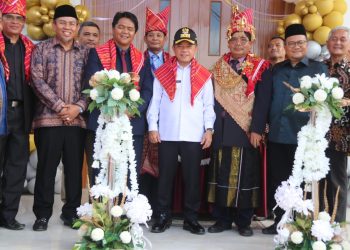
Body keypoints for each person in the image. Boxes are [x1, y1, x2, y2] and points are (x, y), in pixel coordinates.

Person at [207, 6, 271, 237]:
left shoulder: (261, 67)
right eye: (234, 39)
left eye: (243, 39)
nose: (238, 43)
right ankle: (221, 219)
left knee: (246, 175)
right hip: (222, 130)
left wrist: (256, 130)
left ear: (250, 42)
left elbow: (263, 102)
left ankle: (243, 221)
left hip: (246, 131)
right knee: (221, 173)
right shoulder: (218, 67)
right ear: (228, 41)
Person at [148, 27, 216, 235]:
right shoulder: (162, 73)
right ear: (174, 48)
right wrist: (153, 126)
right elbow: (155, 102)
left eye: (189, 46)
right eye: (180, 46)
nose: (185, 50)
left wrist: (209, 130)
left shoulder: (204, 75)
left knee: (192, 179)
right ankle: (162, 216)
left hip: (193, 136)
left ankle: (191, 219)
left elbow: (208, 106)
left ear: (195, 49)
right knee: (165, 178)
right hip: (167, 134)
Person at [262, 24, 329, 235]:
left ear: (307, 44)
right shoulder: (276, 70)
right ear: (286, 47)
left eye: (300, 43)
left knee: (304, 182)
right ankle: (280, 221)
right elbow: (265, 100)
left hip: (305, 138)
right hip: (277, 136)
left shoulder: (318, 69)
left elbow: (325, 104)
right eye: (291, 43)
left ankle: (303, 223)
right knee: (279, 180)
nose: (296, 47)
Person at [30, 5, 89, 231]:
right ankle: (42, 215)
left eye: (71, 24)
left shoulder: (85, 52)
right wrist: (60, 106)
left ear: (77, 27)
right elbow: (37, 80)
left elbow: (90, 85)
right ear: (54, 25)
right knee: (47, 168)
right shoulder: (42, 49)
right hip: (48, 120)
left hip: (77, 121)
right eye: (63, 22)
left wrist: (78, 107)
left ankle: (71, 212)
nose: (67, 27)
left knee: (74, 170)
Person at [84, 11, 153, 185]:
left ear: (135, 33)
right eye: (121, 27)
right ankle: (100, 211)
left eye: (130, 29)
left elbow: (147, 90)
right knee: (101, 173)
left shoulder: (141, 59)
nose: (125, 31)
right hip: (103, 121)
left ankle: (125, 210)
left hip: (132, 124)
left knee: (129, 174)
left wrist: (132, 110)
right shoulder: (97, 54)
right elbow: (92, 83)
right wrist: (114, 109)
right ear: (113, 29)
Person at [0, 0, 35, 230]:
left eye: (19, 18)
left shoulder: (29, 47)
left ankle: (8, 215)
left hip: (21, 114)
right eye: (10, 17)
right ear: (1, 19)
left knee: (16, 167)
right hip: (1, 113)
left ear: (23, 22)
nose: (14, 21)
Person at [139, 6, 170, 214]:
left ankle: (161, 210)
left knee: (164, 166)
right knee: (141, 165)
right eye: (151, 35)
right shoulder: (137, 59)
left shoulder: (173, 61)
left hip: (167, 121)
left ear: (164, 38)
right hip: (140, 119)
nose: (155, 38)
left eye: (159, 35)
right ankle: (141, 208)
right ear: (145, 38)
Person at [320, 26, 350, 222]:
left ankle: (337, 225)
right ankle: (317, 222)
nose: (338, 42)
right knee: (318, 178)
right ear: (328, 43)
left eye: (343, 39)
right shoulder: (319, 67)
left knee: (337, 179)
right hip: (317, 134)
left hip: (341, 134)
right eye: (334, 39)